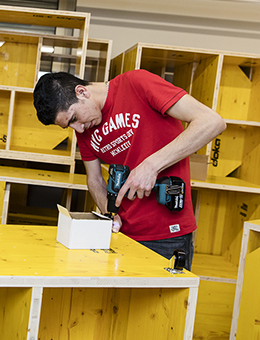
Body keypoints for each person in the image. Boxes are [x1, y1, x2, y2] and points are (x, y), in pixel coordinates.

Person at [33, 70, 226, 270]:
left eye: (74, 118)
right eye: (69, 126)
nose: (79, 130)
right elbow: (95, 180)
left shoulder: (137, 84)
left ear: (82, 92)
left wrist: (151, 166)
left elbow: (212, 122)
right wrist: (109, 213)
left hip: (167, 236)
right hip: (121, 236)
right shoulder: (86, 128)